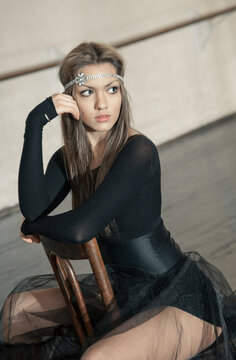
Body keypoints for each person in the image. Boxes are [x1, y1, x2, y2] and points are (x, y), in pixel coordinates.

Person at [0, 42, 235, 360]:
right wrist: (35, 123)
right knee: (16, 312)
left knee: (98, 357)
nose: (101, 103)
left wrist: (33, 225)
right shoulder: (71, 157)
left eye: (111, 89)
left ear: (122, 94)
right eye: (88, 93)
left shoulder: (138, 152)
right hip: (118, 290)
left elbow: (81, 227)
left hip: (178, 298)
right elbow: (33, 206)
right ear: (69, 101)